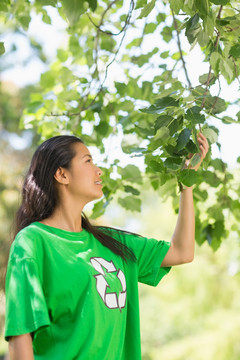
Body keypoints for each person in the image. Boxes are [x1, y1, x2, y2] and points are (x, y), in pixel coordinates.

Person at [4, 133, 209, 360]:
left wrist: (187, 182)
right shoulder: (33, 242)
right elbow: (20, 335)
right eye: (88, 161)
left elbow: (182, 251)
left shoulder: (114, 244)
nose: (98, 170)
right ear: (62, 174)